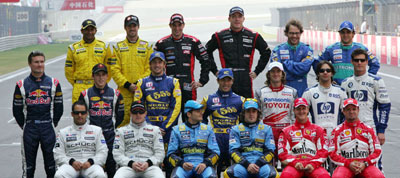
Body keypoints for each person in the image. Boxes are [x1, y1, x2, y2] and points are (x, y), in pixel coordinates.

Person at [13, 51, 63, 178]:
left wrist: (52, 123)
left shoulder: (54, 83)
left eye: (41, 62)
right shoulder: (21, 84)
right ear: (30, 64)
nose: (39, 65)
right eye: (36, 62)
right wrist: (25, 126)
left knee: (52, 167)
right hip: (30, 128)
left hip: (48, 127)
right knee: (28, 168)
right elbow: (17, 110)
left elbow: (59, 108)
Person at [155, 13, 211, 122]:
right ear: (170, 26)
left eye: (179, 25)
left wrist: (202, 81)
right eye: (174, 25)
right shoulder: (162, 43)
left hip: (188, 88)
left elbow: (206, 60)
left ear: (183, 25)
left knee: (190, 121)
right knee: (169, 122)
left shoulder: (193, 41)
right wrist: (157, 83)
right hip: (169, 88)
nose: (177, 28)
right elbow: (152, 65)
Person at [341, 49, 391, 170]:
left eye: (362, 60)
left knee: (375, 163)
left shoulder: (376, 81)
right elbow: (341, 110)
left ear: (367, 62)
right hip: (349, 129)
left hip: (370, 127)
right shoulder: (345, 83)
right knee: (350, 163)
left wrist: (381, 130)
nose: (359, 63)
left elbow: (384, 106)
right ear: (351, 62)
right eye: (356, 60)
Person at [206, 6, 271, 98]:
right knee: (227, 109)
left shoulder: (253, 35)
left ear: (243, 19)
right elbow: (206, 52)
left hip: (245, 79)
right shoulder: (219, 35)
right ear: (229, 19)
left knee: (247, 108)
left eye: (239, 16)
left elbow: (266, 52)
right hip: (227, 79)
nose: (237, 19)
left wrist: (257, 71)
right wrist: (215, 71)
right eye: (234, 16)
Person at [79, 63, 124, 177]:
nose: (100, 78)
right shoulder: (85, 94)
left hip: (110, 135)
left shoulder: (116, 94)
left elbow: (120, 116)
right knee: (93, 169)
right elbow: (81, 117)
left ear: (107, 76)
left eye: (103, 75)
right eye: (98, 75)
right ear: (93, 76)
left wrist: (111, 129)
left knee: (111, 168)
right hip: (91, 137)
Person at [110, 15, 153, 127]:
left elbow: (150, 68)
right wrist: (127, 84)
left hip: (142, 91)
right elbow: (114, 70)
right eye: (129, 26)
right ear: (125, 28)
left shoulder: (147, 47)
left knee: (142, 122)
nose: (132, 28)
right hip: (124, 92)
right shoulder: (118, 47)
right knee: (122, 123)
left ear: (138, 27)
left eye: (134, 26)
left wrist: (138, 84)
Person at [201, 68, 244, 176]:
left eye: (228, 80)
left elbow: (247, 120)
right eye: (223, 80)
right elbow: (200, 118)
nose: (226, 83)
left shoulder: (240, 100)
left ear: (232, 81)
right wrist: (207, 133)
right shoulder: (208, 99)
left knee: (233, 171)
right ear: (218, 81)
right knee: (214, 170)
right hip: (216, 139)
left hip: (233, 139)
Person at [134, 51, 181, 147]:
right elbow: (138, 107)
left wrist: (165, 127)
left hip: (167, 128)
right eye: (154, 62)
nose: (157, 65)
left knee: (168, 159)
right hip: (147, 127)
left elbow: (176, 108)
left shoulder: (173, 82)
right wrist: (151, 127)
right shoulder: (141, 83)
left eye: (159, 62)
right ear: (150, 65)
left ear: (164, 64)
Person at [329, 98, 384, 178]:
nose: (351, 112)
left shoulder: (368, 129)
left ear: (358, 110)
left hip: (365, 165)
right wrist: (348, 163)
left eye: (354, 109)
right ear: (343, 111)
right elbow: (332, 154)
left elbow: (377, 151)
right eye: (348, 109)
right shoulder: (337, 131)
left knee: (378, 176)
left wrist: (365, 163)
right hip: (346, 165)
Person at [224, 98, 278, 178]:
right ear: (244, 113)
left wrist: (258, 164)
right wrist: (247, 165)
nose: (251, 114)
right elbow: (233, 151)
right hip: (243, 164)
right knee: (228, 174)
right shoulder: (235, 129)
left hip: (261, 164)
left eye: (254, 111)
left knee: (274, 175)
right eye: (248, 111)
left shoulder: (267, 129)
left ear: (258, 113)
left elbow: (270, 151)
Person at [278, 98, 330, 178]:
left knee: (324, 176)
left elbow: (324, 151)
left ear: (308, 110)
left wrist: (313, 164)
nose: (301, 111)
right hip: (294, 165)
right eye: (298, 109)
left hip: (313, 164)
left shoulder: (319, 130)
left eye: (303, 108)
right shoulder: (286, 131)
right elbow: (282, 154)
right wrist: (295, 163)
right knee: (286, 175)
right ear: (294, 111)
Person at [53, 101, 108, 178]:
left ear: (87, 113)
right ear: (72, 114)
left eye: (83, 113)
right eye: (77, 113)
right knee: (59, 175)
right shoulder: (63, 132)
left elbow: (103, 152)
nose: (80, 115)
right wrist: (71, 162)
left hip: (90, 165)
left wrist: (91, 162)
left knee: (100, 175)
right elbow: (58, 154)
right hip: (70, 165)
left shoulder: (97, 131)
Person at [167, 100, 220, 178]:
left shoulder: (208, 129)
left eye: (201, 111)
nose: (201, 113)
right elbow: (170, 154)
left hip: (203, 166)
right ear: (189, 114)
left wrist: (205, 163)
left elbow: (215, 152)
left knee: (212, 177)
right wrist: (182, 163)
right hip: (184, 166)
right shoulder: (176, 130)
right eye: (198, 111)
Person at [316, 21, 380, 85]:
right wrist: (324, 79)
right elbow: (317, 63)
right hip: (336, 89)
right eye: (343, 32)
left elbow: (375, 63)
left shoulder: (361, 48)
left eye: (348, 32)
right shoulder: (331, 48)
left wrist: (366, 79)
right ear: (339, 34)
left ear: (353, 34)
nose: (345, 35)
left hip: (355, 88)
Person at [65, 19, 113, 103]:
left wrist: (102, 84)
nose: (89, 32)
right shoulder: (73, 48)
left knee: (98, 113)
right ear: (82, 31)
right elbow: (68, 70)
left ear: (95, 31)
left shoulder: (104, 47)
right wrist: (76, 84)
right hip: (79, 87)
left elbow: (109, 68)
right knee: (79, 115)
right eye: (87, 29)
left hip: (98, 87)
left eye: (92, 29)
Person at [113, 101, 165, 178]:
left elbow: (160, 153)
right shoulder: (121, 131)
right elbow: (117, 153)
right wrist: (131, 163)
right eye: (135, 112)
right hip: (128, 166)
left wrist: (148, 163)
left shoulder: (155, 130)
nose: (138, 115)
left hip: (150, 166)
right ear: (130, 113)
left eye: (141, 112)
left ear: (145, 113)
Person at [255, 61, 297, 149]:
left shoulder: (292, 92)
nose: (275, 74)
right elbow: (257, 115)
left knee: (287, 161)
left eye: (278, 71)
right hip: (268, 132)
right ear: (268, 74)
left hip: (286, 131)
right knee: (269, 160)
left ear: (282, 74)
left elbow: (295, 115)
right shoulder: (260, 92)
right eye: (273, 71)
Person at [302, 60, 347, 137]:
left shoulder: (340, 91)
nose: (325, 72)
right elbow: (302, 114)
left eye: (328, 70)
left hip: (336, 135)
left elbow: (346, 114)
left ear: (332, 73)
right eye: (322, 71)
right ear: (318, 73)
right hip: (316, 135)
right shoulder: (309, 92)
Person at [270, 19, 314, 97]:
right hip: (282, 91)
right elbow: (276, 72)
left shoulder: (307, 49)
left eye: (297, 33)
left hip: (301, 90)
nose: (294, 36)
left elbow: (305, 69)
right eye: (291, 33)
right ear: (286, 33)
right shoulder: (277, 50)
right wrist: (299, 65)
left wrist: (286, 64)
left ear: (301, 33)